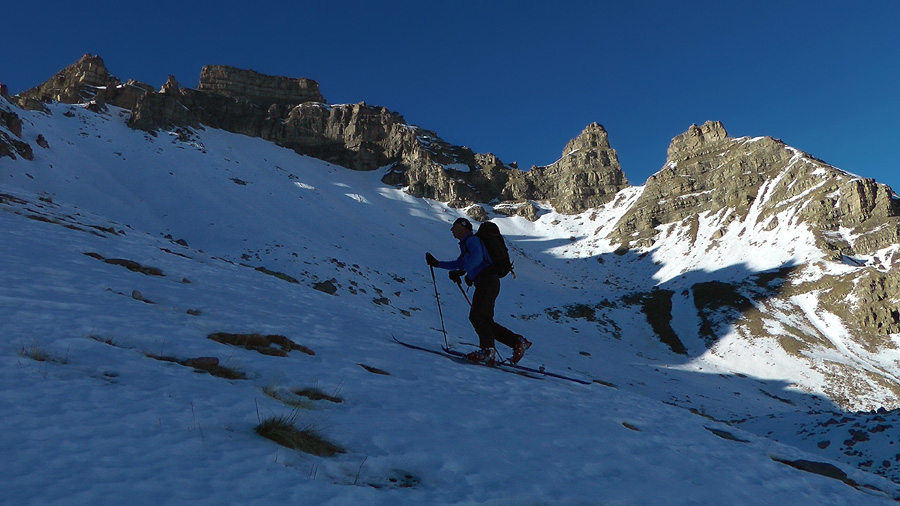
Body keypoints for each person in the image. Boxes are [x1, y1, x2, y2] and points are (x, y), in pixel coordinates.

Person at [426, 217, 531, 364]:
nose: (451, 230)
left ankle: (488, 351)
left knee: (478, 317)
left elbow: (476, 259)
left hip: (487, 282)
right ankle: (517, 342)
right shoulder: (468, 243)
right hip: (488, 282)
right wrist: (446, 267)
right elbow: (465, 262)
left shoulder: (471, 241)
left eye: (454, 227)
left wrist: (461, 270)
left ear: (462, 227)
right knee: (483, 319)